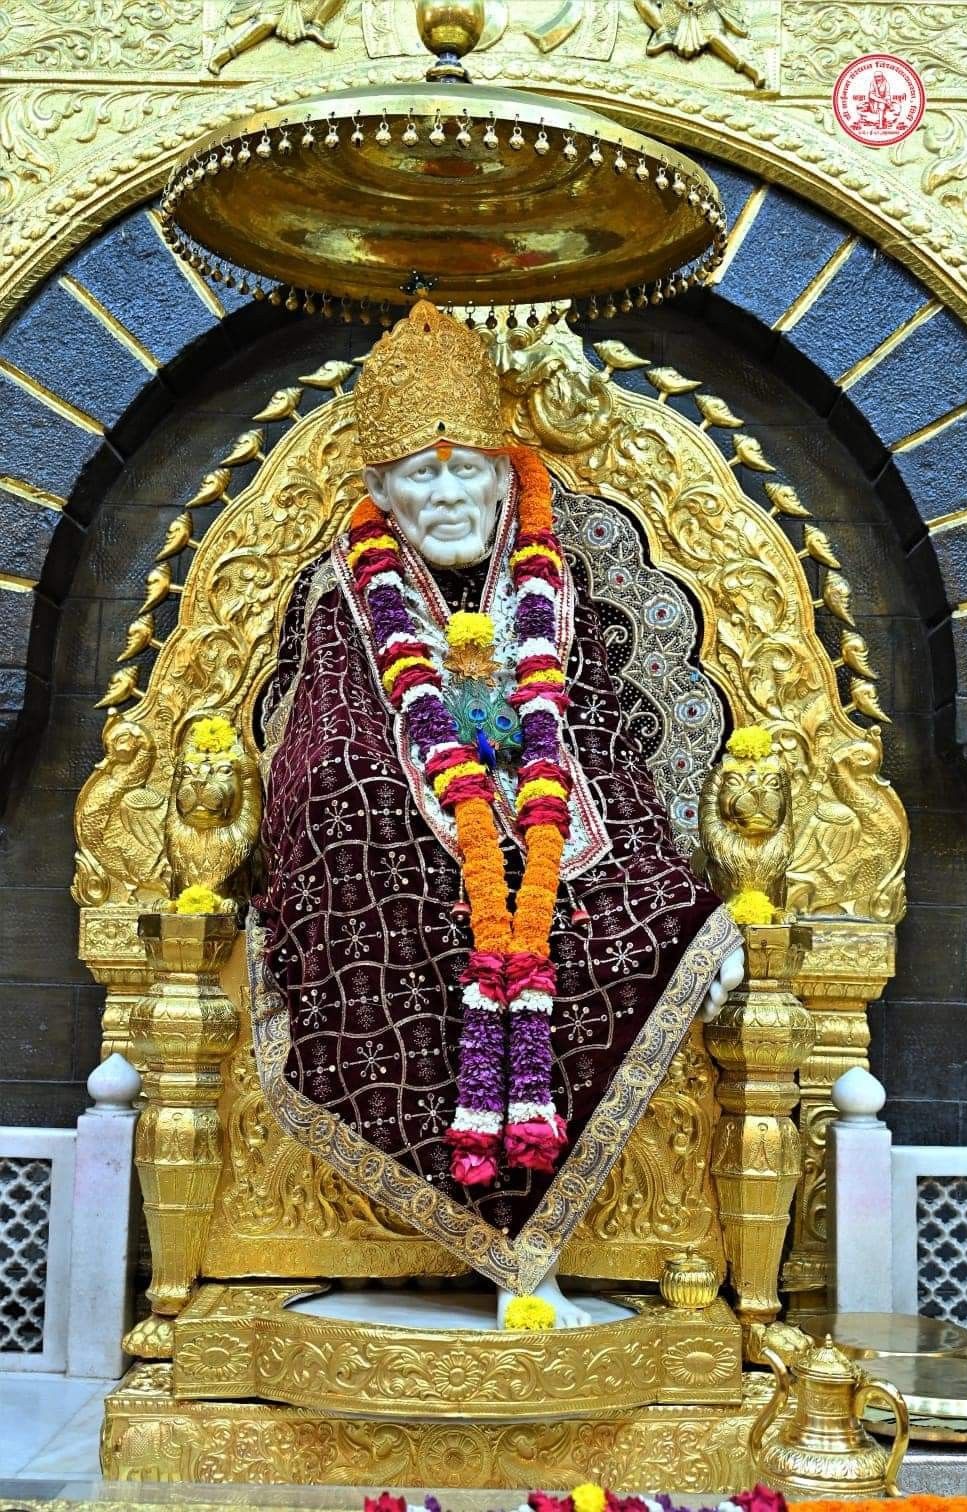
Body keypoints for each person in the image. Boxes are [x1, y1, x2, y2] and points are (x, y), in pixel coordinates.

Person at [252, 302, 743, 1326]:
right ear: (381, 489)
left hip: (558, 833)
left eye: (463, 468)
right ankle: (465, 1232)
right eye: (420, 475)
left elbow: (601, 738)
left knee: (632, 915)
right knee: (358, 823)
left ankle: (562, 1235)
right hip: (395, 848)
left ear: (503, 471)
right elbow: (322, 742)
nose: (444, 494)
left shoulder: (554, 586)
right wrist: (418, 802)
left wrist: (666, 884)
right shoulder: (344, 591)